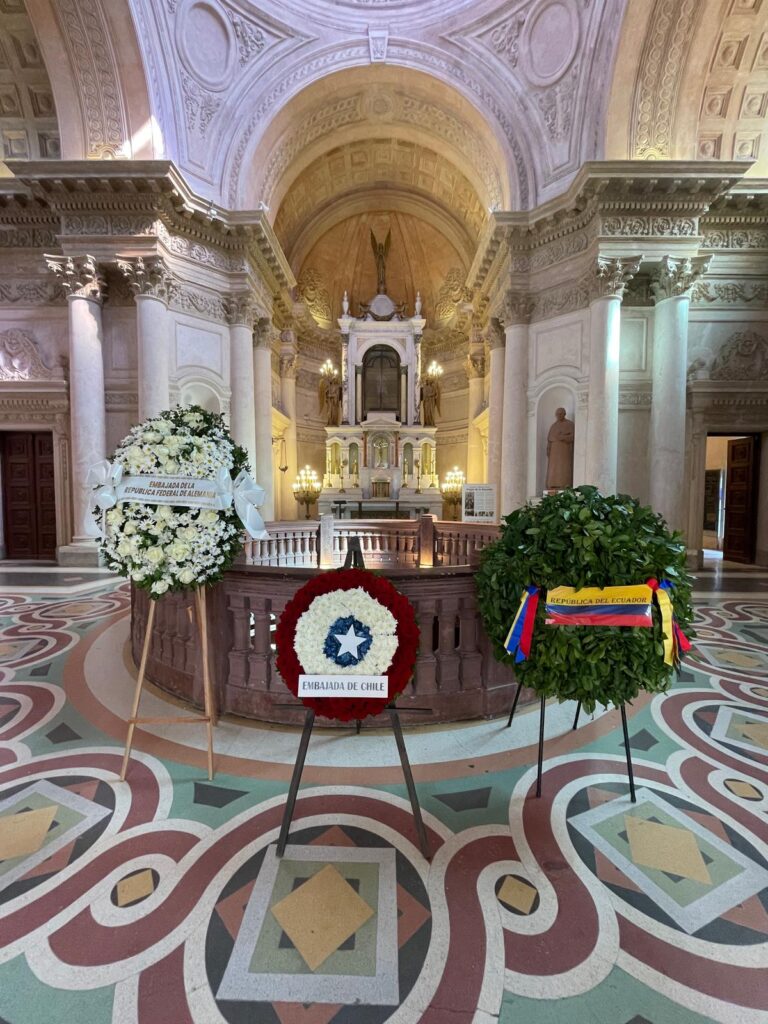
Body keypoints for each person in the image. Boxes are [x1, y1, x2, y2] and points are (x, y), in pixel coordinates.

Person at [546, 407, 574, 490]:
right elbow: (550, 440)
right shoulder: (553, 426)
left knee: (563, 467)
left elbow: (573, 436)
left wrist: (563, 437)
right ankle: (552, 484)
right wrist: (548, 448)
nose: (559, 415)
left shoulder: (570, 424)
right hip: (554, 452)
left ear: (564, 414)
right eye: (557, 414)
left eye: (561, 414)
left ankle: (564, 484)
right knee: (553, 468)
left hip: (564, 450)